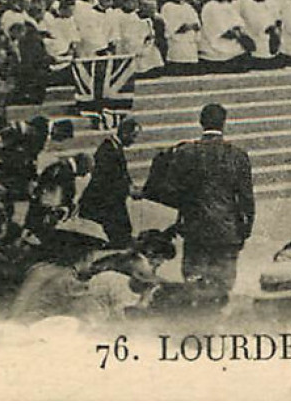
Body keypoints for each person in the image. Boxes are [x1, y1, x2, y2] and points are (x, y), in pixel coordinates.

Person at [146, 102, 255, 304]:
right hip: (227, 231)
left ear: (201, 123)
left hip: (195, 229)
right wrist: (245, 230)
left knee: (193, 285)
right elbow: (247, 199)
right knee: (223, 287)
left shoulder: (186, 152)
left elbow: (169, 189)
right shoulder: (238, 156)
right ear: (224, 123)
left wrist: (187, 206)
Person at [78, 116, 141, 247]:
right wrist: (127, 190)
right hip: (101, 202)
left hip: (110, 200)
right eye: (133, 136)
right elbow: (107, 180)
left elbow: (122, 173)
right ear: (124, 133)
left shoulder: (114, 146)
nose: (134, 141)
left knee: (122, 230)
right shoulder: (107, 149)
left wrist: (130, 185)